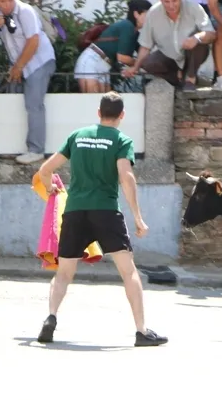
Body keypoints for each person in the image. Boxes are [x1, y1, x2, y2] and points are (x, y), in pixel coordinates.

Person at [34, 92, 168, 347]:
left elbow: (45, 170)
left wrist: (50, 189)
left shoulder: (77, 136)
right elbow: (126, 177)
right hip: (106, 212)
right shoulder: (121, 140)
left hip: (75, 212)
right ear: (122, 115)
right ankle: (141, 331)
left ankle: (51, 317)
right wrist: (138, 217)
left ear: (98, 113)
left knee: (63, 273)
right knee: (128, 272)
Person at [0, 0, 57, 165]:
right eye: (3, 1)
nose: (8, 4)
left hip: (40, 61)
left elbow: (33, 42)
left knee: (34, 104)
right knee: (13, 102)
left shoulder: (26, 11)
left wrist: (18, 67)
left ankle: (36, 150)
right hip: (19, 64)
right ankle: (14, 147)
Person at [124, 0, 216, 91]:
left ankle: (190, 78)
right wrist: (136, 67)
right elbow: (145, 46)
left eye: (174, 1)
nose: (171, 6)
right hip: (168, 57)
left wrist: (196, 38)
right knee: (147, 63)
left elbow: (211, 33)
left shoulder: (194, 8)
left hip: (191, 55)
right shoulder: (153, 13)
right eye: (167, 2)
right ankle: (178, 79)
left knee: (200, 43)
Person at [74, 0, 152, 93]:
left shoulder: (135, 33)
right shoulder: (127, 26)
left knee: (103, 101)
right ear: (136, 14)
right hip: (92, 61)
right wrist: (139, 64)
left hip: (104, 65)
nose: (150, 19)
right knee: (93, 100)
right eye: (148, 14)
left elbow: (145, 54)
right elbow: (122, 58)